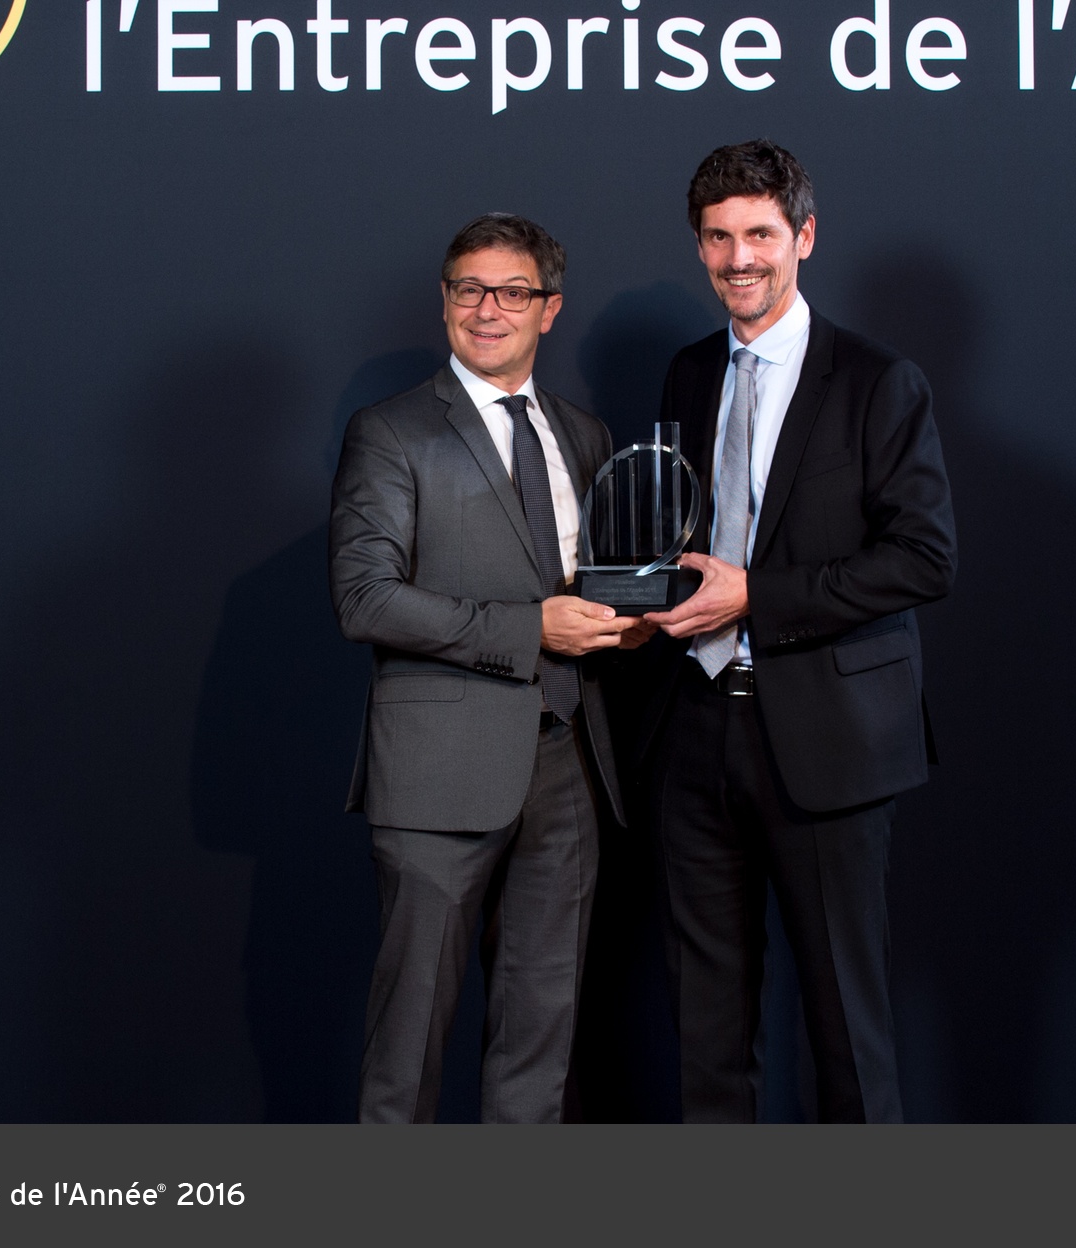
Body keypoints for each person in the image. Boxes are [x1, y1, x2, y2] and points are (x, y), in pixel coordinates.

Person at [639, 141, 957, 1123]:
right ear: (699, 246)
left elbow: (924, 558)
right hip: (696, 730)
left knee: (846, 1032)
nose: (739, 258)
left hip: (827, 741)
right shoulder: (690, 373)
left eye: (760, 235)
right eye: (718, 237)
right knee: (706, 1030)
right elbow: (682, 537)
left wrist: (756, 597)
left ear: (804, 237)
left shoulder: (876, 381)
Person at [330, 213, 647, 1122]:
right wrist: (531, 629)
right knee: (407, 1051)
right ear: (444, 301)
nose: (487, 309)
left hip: (570, 769)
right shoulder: (391, 432)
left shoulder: (584, 434)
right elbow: (365, 599)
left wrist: (624, 628)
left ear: (551, 308)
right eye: (469, 289)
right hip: (437, 777)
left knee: (540, 1049)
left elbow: (594, 585)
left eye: (512, 292)